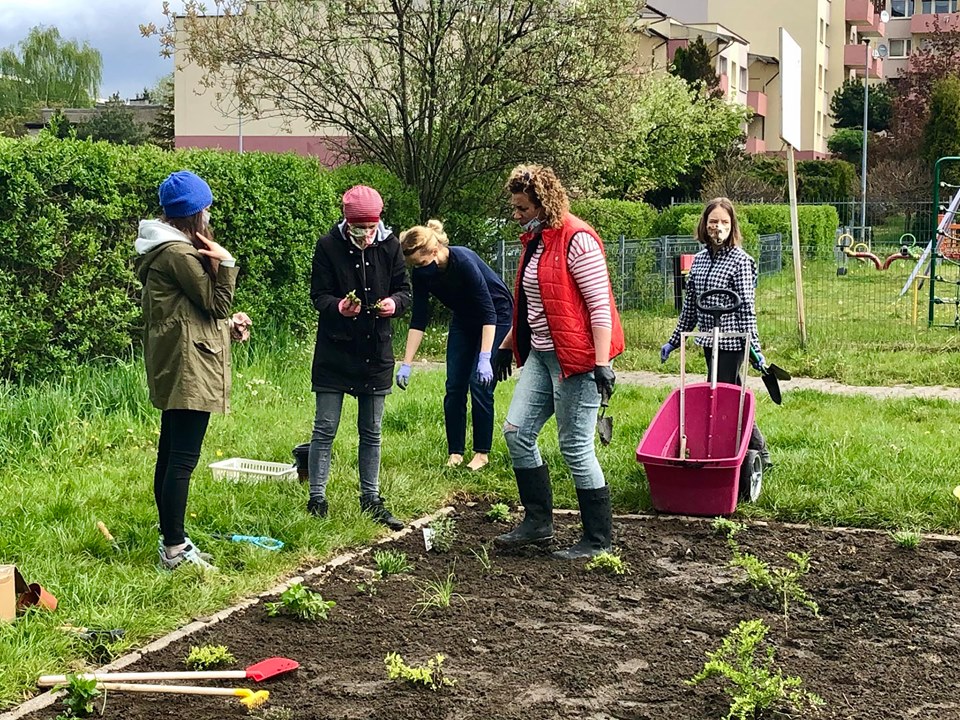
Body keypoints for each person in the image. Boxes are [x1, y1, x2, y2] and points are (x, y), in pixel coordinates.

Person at [493, 164, 625, 560]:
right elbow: (537, 304)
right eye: (515, 208)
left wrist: (601, 363)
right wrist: (507, 344)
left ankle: (597, 540)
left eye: (522, 208)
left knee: (575, 447)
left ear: (543, 204)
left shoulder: (577, 239)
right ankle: (537, 524)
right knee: (517, 432)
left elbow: (600, 306)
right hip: (541, 355)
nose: (516, 215)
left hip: (578, 359)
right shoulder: (537, 241)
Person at [135, 170, 247, 571]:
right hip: (190, 367)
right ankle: (174, 550)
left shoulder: (163, 248)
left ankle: (173, 539)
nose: (209, 213)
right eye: (207, 207)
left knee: (170, 454)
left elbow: (188, 313)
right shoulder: (179, 254)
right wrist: (227, 263)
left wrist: (228, 325)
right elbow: (215, 304)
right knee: (181, 459)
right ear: (194, 212)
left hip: (177, 360)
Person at [307, 185, 411, 529]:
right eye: (358, 228)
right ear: (346, 222)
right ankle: (317, 499)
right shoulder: (327, 246)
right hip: (334, 351)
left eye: (370, 228)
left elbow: (404, 291)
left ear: (378, 222)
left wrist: (394, 304)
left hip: (375, 351)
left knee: (372, 430)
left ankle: (371, 498)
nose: (365, 235)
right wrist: (339, 306)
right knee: (325, 427)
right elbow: (318, 295)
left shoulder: (391, 245)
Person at [660, 196, 770, 467]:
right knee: (729, 393)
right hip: (709, 339)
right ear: (704, 224)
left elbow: (746, 308)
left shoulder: (741, 261)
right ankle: (754, 448)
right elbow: (690, 308)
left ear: (732, 225)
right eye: (712, 221)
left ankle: (747, 450)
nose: (717, 227)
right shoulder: (698, 261)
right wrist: (673, 341)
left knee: (723, 394)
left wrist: (754, 348)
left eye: (723, 222)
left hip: (732, 342)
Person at [397, 220, 514, 471]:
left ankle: (481, 453)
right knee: (454, 386)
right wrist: (406, 363)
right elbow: (419, 319)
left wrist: (485, 357)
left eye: (421, 263)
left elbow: (489, 312)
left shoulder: (463, 262)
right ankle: (456, 453)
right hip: (464, 318)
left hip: (497, 314)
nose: (419, 269)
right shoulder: (422, 274)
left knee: (479, 383)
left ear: (434, 251)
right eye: (415, 265)